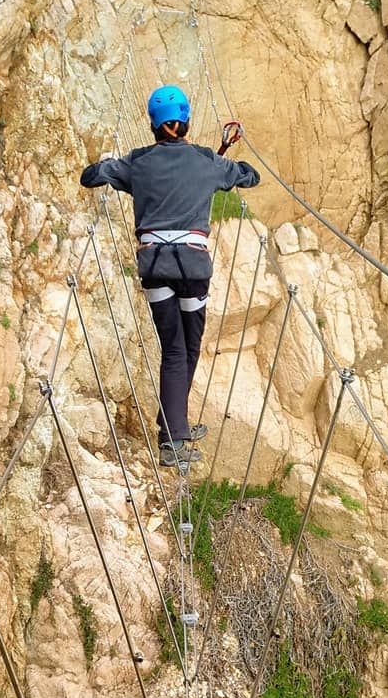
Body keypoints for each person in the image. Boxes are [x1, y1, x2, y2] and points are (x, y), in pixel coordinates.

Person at [80, 85, 260, 468]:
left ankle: (172, 420)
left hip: (155, 266)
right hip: (193, 268)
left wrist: (110, 167)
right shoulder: (208, 161)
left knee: (174, 347)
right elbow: (249, 177)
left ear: (152, 125)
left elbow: (90, 176)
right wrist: (232, 168)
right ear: (187, 121)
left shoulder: (138, 163)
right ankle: (172, 440)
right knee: (187, 347)